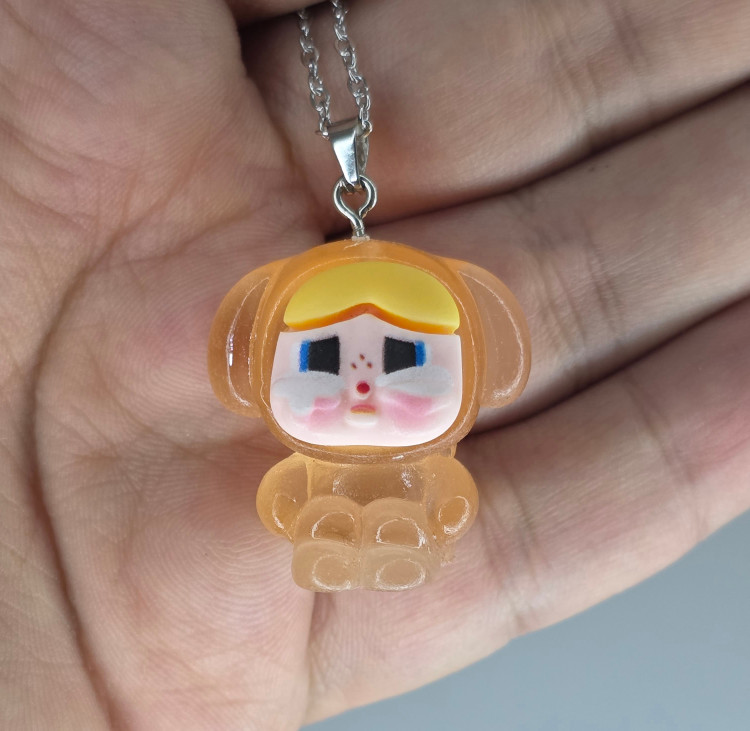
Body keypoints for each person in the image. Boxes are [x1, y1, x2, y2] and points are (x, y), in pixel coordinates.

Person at [1, 0, 748, 728]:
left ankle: (390, 541)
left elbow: (451, 495)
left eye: (403, 353)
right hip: (312, 514)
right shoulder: (296, 441)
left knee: (418, 514)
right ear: (254, 358)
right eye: (322, 354)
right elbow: (282, 498)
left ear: (481, 356)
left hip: (414, 509)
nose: (362, 380)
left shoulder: (434, 442)